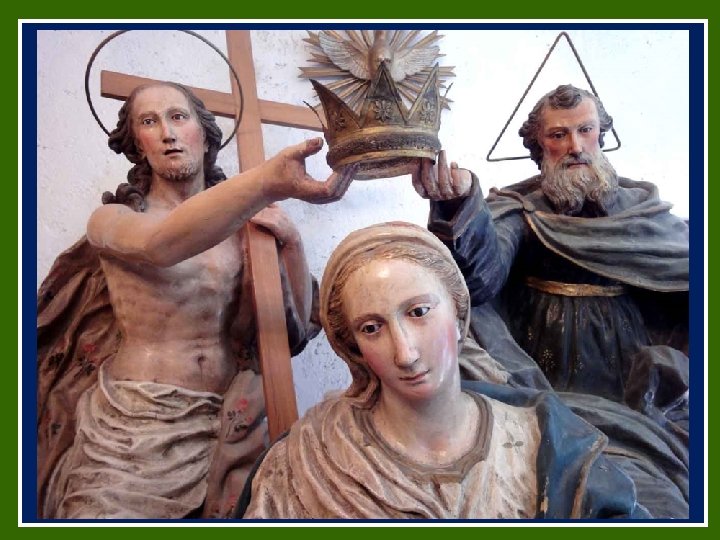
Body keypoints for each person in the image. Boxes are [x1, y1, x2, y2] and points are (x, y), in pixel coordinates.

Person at [37, 81, 356, 519]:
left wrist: (293, 243)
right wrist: (265, 182)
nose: (167, 132)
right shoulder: (113, 220)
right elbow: (161, 245)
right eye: (149, 122)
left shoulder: (247, 229)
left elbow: (294, 333)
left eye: (178, 117)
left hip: (232, 424)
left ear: (205, 135)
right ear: (138, 144)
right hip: (135, 426)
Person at [236, 221, 649, 519]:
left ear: (458, 311)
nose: (405, 353)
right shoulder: (306, 463)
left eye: (418, 312)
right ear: (352, 346)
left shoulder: (548, 443)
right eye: (372, 328)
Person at [412, 84, 689, 518]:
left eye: (585, 130)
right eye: (559, 135)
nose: (575, 146)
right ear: (539, 145)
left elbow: (685, 271)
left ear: (601, 134)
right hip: (546, 370)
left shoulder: (641, 212)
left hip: (631, 376)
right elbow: (477, 278)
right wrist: (461, 203)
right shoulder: (520, 211)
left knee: (658, 488)